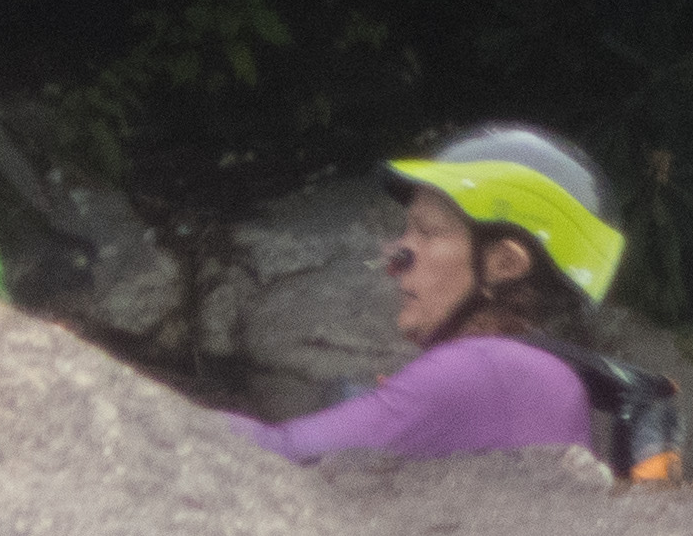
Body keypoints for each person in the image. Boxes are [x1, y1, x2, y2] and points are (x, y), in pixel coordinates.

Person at [232, 124, 650, 467]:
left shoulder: (482, 368)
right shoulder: (537, 374)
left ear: (504, 264)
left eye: (428, 232)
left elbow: (276, 455)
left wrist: (186, 423)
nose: (396, 255)